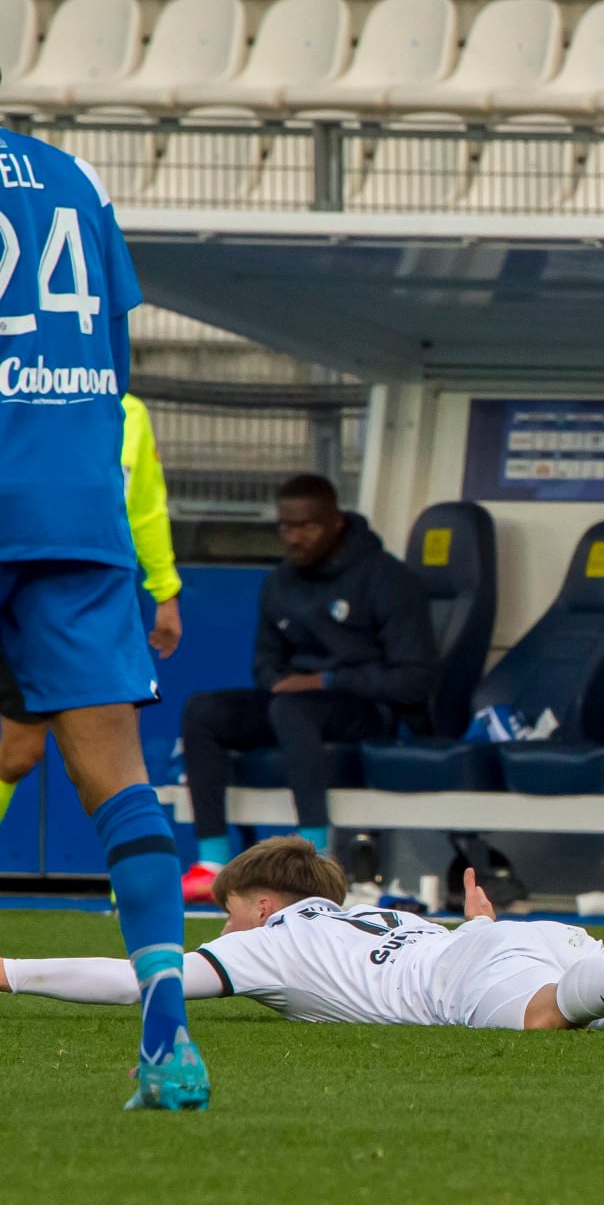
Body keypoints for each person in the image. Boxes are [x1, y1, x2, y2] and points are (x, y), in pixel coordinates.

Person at [0, 122, 207, 1108]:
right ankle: (166, 1025)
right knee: (119, 779)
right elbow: (114, 357)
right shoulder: (73, 174)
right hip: (78, 507)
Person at [1, 837, 604, 1038]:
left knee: (544, 1021)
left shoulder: (264, 943)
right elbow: (466, 943)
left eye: (228, 908)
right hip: (507, 941)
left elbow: (136, 981)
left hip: (472, 981)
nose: (220, 926)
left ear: (266, 905)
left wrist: (11, 969)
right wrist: (481, 925)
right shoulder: (387, 913)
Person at [179, 474, 439, 902]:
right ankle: (213, 863)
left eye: (307, 526)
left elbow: (415, 678)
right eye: (286, 526)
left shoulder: (388, 578)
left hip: (368, 709)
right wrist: (277, 681)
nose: (295, 537)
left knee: (293, 710)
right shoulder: (279, 582)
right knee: (203, 710)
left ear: (336, 522)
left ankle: (314, 864)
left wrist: (328, 681)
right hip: (296, 705)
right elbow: (264, 662)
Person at [0, 393, 184, 804]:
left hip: (85, 603)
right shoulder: (18, 391)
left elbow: (145, 509)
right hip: (17, 583)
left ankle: (139, 857)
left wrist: (165, 591)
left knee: (29, 753)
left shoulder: (131, 412)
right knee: (21, 749)